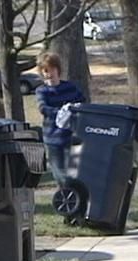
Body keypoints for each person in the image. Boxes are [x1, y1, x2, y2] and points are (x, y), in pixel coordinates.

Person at [35, 53, 86, 186]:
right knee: (59, 174)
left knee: (74, 173)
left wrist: (73, 111)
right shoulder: (42, 91)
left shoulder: (70, 87)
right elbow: (43, 108)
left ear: (58, 69)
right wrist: (61, 112)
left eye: (51, 69)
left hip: (71, 137)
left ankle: (76, 200)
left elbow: (83, 103)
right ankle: (66, 197)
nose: (49, 74)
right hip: (52, 138)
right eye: (45, 70)